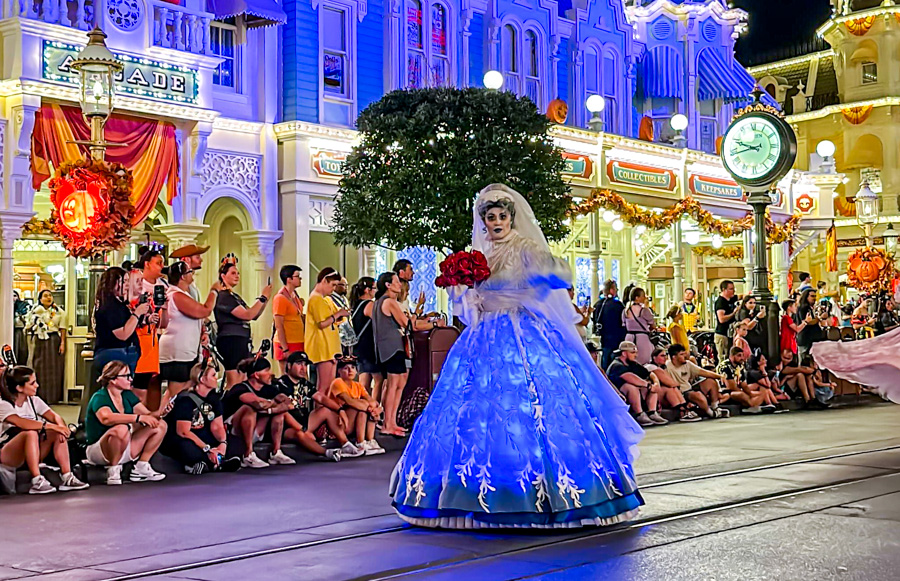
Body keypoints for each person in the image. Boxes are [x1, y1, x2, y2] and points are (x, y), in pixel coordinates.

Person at [391, 184, 644, 529]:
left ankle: (546, 491)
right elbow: (471, 305)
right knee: (476, 410)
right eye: (490, 217)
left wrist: (540, 275)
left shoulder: (524, 248)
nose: (496, 222)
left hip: (524, 331)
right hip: (483, 336)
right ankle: (469, 491)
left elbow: (559, 275)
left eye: (502, 216)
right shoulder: (478, 257)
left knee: (535, 406)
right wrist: (461, 289)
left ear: (512, 218)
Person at [0, 366, 88, 494]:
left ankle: (67, 477)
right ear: (19, 388)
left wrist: (61, 427)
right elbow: (20, 422)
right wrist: (49, 425)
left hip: (34, 452)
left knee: (57, 433)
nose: (37, 385)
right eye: (32, 383)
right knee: (30, 433)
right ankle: (37, 481)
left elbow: (54, 416)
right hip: (10, 454)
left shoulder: (34, 401)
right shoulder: (4, 404)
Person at [84, 267, 152, 421]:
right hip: (115, 353)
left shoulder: (119, 304)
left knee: (124, 392)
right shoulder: (109, 306)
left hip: (125, 353)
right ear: (112, 283)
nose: (127, 285)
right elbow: (122, 333)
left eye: (128, 281)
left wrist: (144, 318)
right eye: (124, 281)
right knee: (117, 392)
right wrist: (137, 313)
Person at [84, 361, 168, 485]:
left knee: (160, 425)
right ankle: (113, 469)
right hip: (99, 450)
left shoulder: (127, 395)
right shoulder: (100, 397)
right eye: (126, 376)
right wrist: (137, 418)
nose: (130, 379)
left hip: (124, 445)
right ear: (113, 380)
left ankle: (141, 466)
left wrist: (161, 412)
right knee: (121, 429)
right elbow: (106, 418)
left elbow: (147, 415)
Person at [159, 261, 221, 411]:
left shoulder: (184, 294)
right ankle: (160, 419)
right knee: (175, 390)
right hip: (177, 350)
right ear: (182, 277)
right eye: (189, 272)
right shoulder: (176, 295)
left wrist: (203, 332)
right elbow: (204, 310)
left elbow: (197, 319)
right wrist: (214, 291)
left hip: (186, 348)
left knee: (186, 387)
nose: (192, 274)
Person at [161, 361, 243, 474]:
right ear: (202, 380)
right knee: (186, 447)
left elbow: (217, 426)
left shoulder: (214, 399)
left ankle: (212, 463)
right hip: (189, 438)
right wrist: (207, 449)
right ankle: (209, 463)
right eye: (213, 375)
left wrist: (222, 444)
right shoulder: (185, 400)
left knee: (236, 442)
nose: (216, 378)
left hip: (206, 437)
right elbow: (183, 432)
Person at [273, 351, 357, 460]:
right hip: (287, 426)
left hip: (305, 421)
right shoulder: (280, 383)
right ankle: (327, 453)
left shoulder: (305, 383)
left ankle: (345, 444)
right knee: (299, 434)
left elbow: (321, 398)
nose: (303, 368)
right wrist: (303, 430)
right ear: (289, 366)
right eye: (299, 364)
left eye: (305, 364)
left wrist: (340, 410)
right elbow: (282, 410)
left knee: (325, 410)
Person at [222, 357, 295, 469]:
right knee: (249, 408)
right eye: (266, 370)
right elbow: (258, 404)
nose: (270, 374)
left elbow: (288, 404)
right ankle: (248, 454)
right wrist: (274, 403)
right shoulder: (240, 388)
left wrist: (271, 408)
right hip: (234, 432)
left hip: (256, 430)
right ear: (256, 375)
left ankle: (276, 453)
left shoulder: (269, 389)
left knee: (279, 413)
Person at [214, 260, 272, 389]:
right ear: (223, 276)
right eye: (233, 273)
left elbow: (254, 315)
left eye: (238, 273)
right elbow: (247, 315)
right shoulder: (223, 297)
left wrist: (265, 300)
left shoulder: (234, 296)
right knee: (234, 381)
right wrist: (262, 297)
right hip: (231, 340)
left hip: (241, 339)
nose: (237, 276)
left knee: (242, 380)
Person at [373, 272, 412, 437]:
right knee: (393, 384)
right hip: (392, 347)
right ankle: (388, 423)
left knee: (398, 382)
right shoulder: (389, 302)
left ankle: (392, 421)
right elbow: (406, 322)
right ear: (388, 285)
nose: (400, 285)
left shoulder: (379, 302)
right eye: (396, 282)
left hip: (388, 347)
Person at [133, 249, 169, 407]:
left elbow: (164, 322)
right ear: (147, 264)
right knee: (137, 387)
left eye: (162, 263)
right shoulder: (136, 284)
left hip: (156, 338)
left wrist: (165, 307)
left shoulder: (164, 286)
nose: (162, 266)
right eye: (158, 263)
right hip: (138, 339)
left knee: (154, 381)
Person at [328, 357, 385, 455]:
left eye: (353, 367)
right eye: (346, 368)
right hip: (339, 424)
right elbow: (349, 401)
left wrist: (374, 409)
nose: (350, 370)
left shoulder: (358, 385)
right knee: (360, 409)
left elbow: (372, 401)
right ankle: (360, 442)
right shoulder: (337, 382)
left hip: (353, 424)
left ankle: (370, 440)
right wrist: (369, 408)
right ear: (339, 371)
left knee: (369, 410)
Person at [605, 342, 666, 427]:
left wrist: (656, 383)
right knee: (631, 387)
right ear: (624, 353)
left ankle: (652, 413)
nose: (636, 355)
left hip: (636, 394)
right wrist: (648, 385)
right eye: (633, 352)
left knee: (651, 385)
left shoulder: (632, 363)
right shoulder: (616, 365)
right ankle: (639, 414)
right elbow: (631, 378)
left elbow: (649, 373)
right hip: (617, 394)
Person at [26, 290, 66, 404]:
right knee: (39, 366)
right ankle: (39, 396)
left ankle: (53, 397)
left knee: (54, 368)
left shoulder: (58, 312)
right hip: (40, 340)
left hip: (53, 340)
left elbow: (63, 328)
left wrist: (62, 343)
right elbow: (28, 326)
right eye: (45, 296)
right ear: (40, 299)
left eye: (50, 295)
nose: (48, 298)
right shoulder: (35, 311)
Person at [666, 344, 727, 419]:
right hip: (680, 393)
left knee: (711, 381)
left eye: (685, 353)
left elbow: (704, 372)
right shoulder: (667, 366)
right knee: (698, 395)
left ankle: (715, 407)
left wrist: (720, 376)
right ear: (674, 357)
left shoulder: (687, 363)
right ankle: (711, 413)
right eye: (681, 354)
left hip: (690, 388)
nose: (685, 356)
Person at [645, 348, 702, 422]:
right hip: (650, 394)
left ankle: (683, 408)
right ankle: (683, 410)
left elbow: (673, 384)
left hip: (659, 393)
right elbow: (671, 383)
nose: (665, 358)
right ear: (654, 357)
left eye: (665, 355)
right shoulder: (651, 367)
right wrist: (675, 384)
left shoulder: (663, 367)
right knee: (670, 388)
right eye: (662, 356)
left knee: (673, 388)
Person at [349, 277, 382, 400]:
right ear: (368, 290)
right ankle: (373, 407)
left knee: (364, 379)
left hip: (359, 347)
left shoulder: (355, 305)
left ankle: (361, 408)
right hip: (369, 347)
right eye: (374, 288)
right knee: (378, 379)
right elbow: (379, 321)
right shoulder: (369, 305)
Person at [273, 265, 306, 373]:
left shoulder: (294, 295)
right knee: (287, 375)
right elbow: (279, 325)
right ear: (289, 279)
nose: (300, 279)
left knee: (300, 374)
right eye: (297, 276)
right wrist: (285, 348)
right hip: (287, 343)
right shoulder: (280, 298)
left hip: (298, 340)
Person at [716, 347, 769, 414]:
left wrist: (750, 393)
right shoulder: (725, 366)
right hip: (726, 392)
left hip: (738, 389)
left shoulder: (740, 365)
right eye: (739, 355)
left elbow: (743, 383)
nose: (742, 358)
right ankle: (753, 406)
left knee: (762, 390)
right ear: (731, 356)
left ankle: (753, 406)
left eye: (742, 355)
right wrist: (747, 394)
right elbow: (731, 387)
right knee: (742, 394)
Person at [591, 279, 627, 371]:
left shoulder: (598, 304)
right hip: (617, 338)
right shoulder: (618, 305)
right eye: (616, 289)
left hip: (604, 338)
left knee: (605, 361)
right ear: (611, 290)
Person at [622, 287, 655, 365]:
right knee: (644, 360)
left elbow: (624, 324)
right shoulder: (644, 311)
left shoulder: (625, 311)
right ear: (637, 298)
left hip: (629, 337)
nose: (645, 297)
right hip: (642, 338)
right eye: (643, 296)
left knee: (629, 361)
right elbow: (653, 324)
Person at [797, 288, 826, 361]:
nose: (814, 298)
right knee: (805, 361)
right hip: (806, 339)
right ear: (806, 297)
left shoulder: (810, 308)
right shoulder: (803, 308)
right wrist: (819, 319)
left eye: (815, 296)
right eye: (812, 296)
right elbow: (807, 322)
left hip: (812, 339)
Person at [714, 280, 738, 362]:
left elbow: (742, 296)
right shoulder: (720, 302)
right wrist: (734, 313)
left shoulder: (731, 299)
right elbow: (722, 319)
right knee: (723, 358)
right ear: (724, 290)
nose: (733, 291)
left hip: (730, 334)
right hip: (722, 334)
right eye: (731, 289)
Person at [13, 291, 30, 365]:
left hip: (20, 330)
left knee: (22, 352)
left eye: (14, 295)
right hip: (8, 331)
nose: (13, 298)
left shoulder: (22, 306)